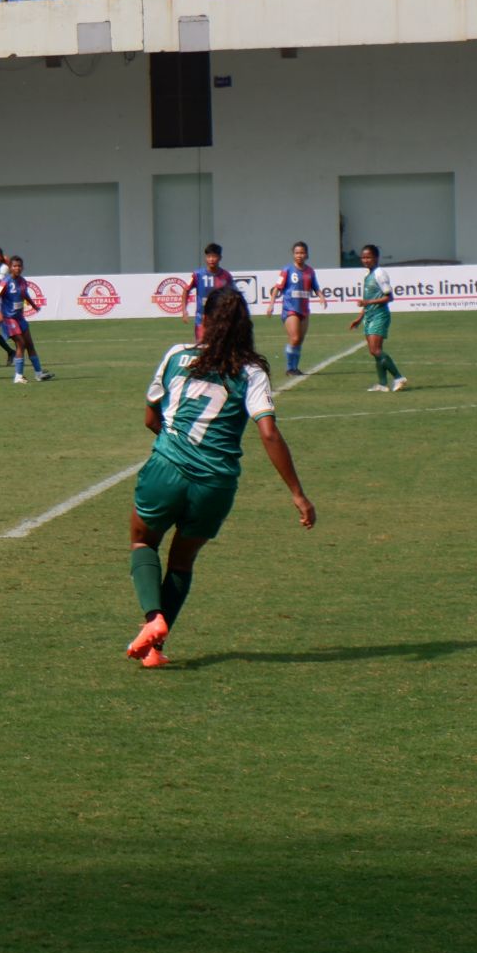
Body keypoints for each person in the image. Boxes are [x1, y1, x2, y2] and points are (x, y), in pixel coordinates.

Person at [126, 288, 316, 667]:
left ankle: (153, 619)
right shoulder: (252, 371)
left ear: (206, 320)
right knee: (181, 561)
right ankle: (154, 652)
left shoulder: (177, 355)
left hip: (167, 468)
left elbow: (150, 418)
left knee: (143, 543)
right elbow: (268, 433)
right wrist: (298, 493)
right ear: (244, 326)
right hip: (215, 484)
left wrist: (174, 447)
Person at [346, 243, 407, 392]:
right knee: (374, 351)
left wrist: (368, 302)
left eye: (369, 257)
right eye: (363, 257)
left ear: (376, 258)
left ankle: (399, 377)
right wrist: (360, 318)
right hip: (369, 315)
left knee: (376, 350)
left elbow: (389, 297)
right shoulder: (368, 274)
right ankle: (382, 384)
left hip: (380, 315)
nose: (366, 260)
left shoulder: (380, 273)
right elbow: (368, 297)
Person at [0, 253, 53, 383]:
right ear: (10, 267)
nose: (17, 268)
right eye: (14, 266)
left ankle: (38, 374)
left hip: (20, 318)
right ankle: (18, 376)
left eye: (19, 266)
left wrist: (34, 305)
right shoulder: (5, 282)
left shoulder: (22, 281)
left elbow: (24, 294)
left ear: (22, 268)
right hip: (9, 319)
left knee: (30, 344)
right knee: (20, 344)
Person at [267, 240, 322, 375]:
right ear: (293, 255)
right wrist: (271, 304)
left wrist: (321, 296)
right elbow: (276, 288)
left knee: (299, 340)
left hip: (304, 310)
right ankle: (289, 368)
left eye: (302, 253)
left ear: (307, 254)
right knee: (295, 338)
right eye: (297, 253)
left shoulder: (310, 271)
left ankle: (295, 368)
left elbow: (315, 287)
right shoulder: (287, 270)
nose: (299, 255)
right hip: (290, 309)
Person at [184, 243, 236, 343]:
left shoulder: (226, 276)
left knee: (220, 347)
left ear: (220, 258)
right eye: (209, 256)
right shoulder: (197, 275)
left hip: (220, 319)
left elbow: (233, 295)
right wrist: (184, 310)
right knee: (202, 348)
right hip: (202, 320)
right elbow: (186, 290)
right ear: (205, 258)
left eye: (214, 256)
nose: (211, 259)